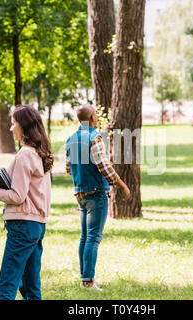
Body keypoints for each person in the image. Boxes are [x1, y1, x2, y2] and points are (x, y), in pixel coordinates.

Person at [0, 105, 53, 300]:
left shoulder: (25, 154)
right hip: (37, 225)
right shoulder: (39, 153)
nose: (11, 128)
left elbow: (17, 196)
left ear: (24, 126)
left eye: (14, 123)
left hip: (23, 225)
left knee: (6, 284)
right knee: (31, 287)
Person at [65, 104, 130, 291]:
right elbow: (104, 167)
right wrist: (122, 185)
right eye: (95, 114)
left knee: (85, 237)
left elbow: (68, 168)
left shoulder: (70, 140)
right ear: (93, 117)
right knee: (93, 238)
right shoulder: (95, 138)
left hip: (80, 193)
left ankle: (85, 278)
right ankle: (88, 281)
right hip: (96, 193)